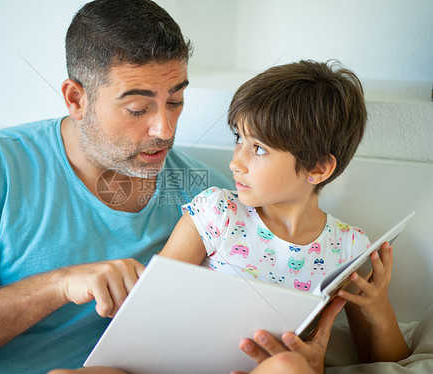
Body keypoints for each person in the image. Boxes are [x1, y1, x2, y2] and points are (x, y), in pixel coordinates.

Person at [0, 1, 234, 373]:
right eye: (137, 108)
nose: (165, 129)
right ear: (76, 99)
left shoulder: (210, 200)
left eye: (176, 100)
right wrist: (61, 285)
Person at [159, 60, 410, 373]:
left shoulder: (349, 248)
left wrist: (379, 307)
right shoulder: (218, 213)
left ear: (318, 168)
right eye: (238, 138)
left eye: (259, 149)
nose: (236, 162)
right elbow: (149, 308)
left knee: (288, 366)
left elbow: (389, 364)